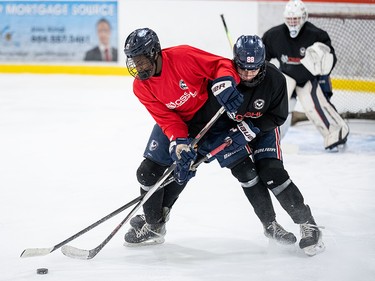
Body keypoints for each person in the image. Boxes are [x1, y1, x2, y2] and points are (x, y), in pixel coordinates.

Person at [123, 28, 324, 256]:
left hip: (243, 126)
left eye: (141, 60)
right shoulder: (143, 86)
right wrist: (180, 145)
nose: (247, 74)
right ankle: (154, 223)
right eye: (134, 61)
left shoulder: (186, 58)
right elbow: (170, 118)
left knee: (263, 173)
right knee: (166, 169)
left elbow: (222, 68)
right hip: (202, 125)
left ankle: (288, 224)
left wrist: (230, 93)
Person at [262, 0, 349, 150]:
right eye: (290, 19)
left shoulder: (316, 35)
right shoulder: (273, 35)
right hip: (286, 78)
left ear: (303, 17)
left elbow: (329, 59)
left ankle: (336, 133)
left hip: (307, 79)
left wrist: (324, 57)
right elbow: (263, 58)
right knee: (279, 108)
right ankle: (270, 139)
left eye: (296, 19)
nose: (293, 23)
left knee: (313, 107)